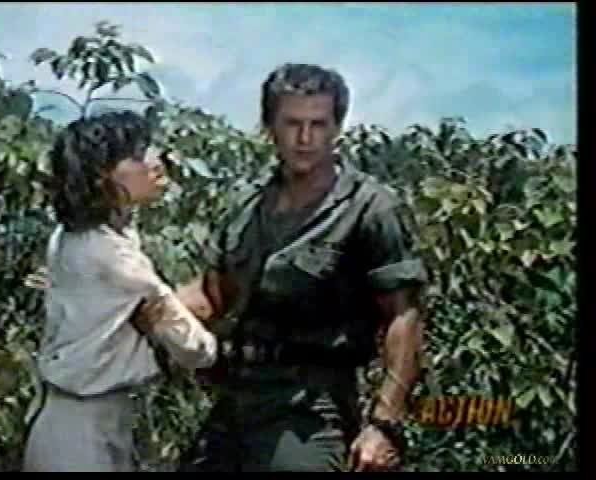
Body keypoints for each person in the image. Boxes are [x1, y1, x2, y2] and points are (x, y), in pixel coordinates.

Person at [174, 63, 428, 472]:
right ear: (269, 128)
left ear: (337, 128)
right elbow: (211, 295)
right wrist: (137, 301)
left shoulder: (369, 208)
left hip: (310, 408)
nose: (305, 138)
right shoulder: (247, 206)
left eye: (318, 124)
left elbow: (404, 317)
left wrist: (384, 424)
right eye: (292, 124)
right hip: (238, 396)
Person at [22, 111, 217, 472]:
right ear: (102, 176)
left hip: (80, 419)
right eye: (138, 156)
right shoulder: (113, 258)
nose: (155, 163)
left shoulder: (75, 236)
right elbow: (196, 350)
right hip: (80, 436)